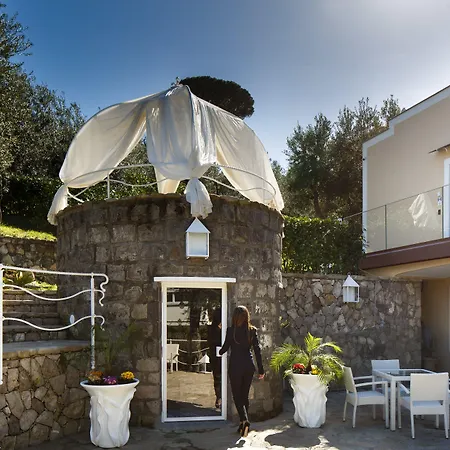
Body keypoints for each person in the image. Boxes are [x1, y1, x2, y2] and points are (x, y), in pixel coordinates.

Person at [219, 305, 264, 438]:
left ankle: (244, 420)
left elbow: (225, 348)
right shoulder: (252, 330)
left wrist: (218, 350)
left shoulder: (231, 331)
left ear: (234, 317)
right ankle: (242, 424)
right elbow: (257, 351)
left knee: (237, 395)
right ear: (246, 317)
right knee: (244, 395)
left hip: (235, 367)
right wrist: (261, 370)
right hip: (249, 366)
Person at [207, 308, 222, 409]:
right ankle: (219, 398)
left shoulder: (214, 328)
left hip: (219, 356)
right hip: (216, 357)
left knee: (218, 378)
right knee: (218, 378)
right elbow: (212, 342)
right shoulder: (213, 329)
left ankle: (220, 398)